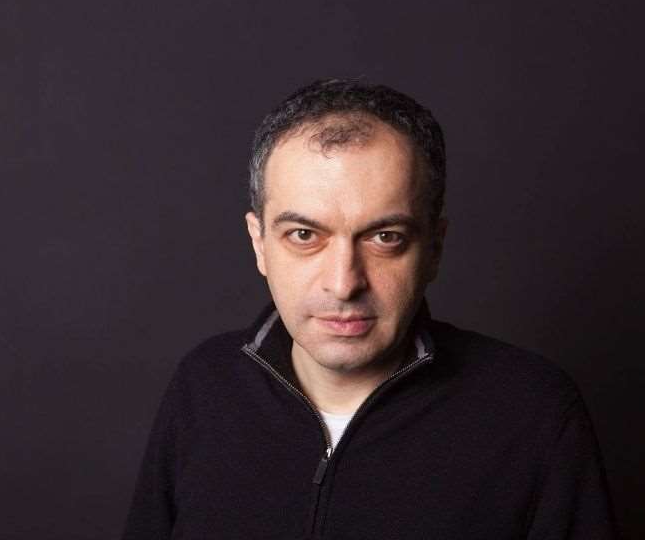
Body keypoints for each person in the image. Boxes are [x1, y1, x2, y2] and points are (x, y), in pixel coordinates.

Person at [122, 79, 616, 539]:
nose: (344, 283)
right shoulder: (205, 385)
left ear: (434, 249)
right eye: (304, 235)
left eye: (385, 237)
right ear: (259, 244)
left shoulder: (533, 413)